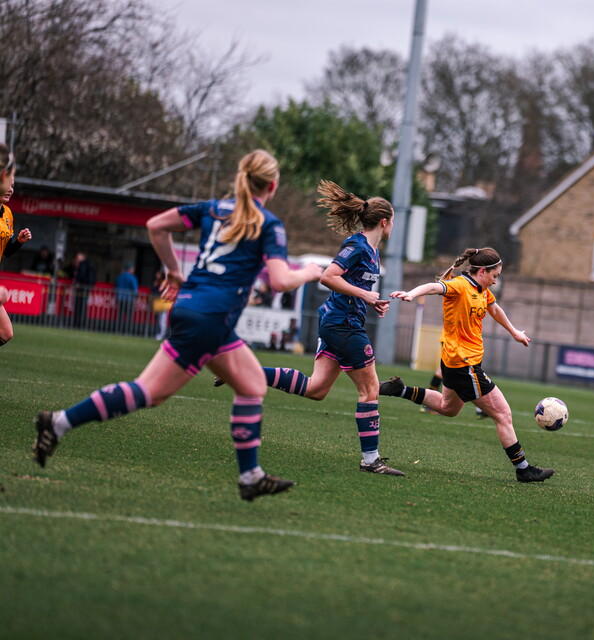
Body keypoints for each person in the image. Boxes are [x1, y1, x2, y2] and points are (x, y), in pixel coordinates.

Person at [32, 149, 324, 501]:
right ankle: (59, 422)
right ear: (272, 186)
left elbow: (156, 226)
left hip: (191, 310)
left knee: (251, 385)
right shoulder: (268, 224)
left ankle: (251, 476)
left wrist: (172, 269)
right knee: (150, 393)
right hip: (211, 319)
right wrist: (308, 273)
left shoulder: (212, 209)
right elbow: (279, 281)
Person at [220, 179, 404, 476]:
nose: (393, 226)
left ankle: (246, 372)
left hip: (341, 321)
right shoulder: (357, 246)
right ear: (385, 221)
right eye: (393, 221)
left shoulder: (372, 250)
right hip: (342, 325)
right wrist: (364, 295)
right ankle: (371, 460)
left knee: (317, 388)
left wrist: (370, 301)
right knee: (370, 389)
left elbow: (352, 284)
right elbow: (328, 277)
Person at [379, 247, 555, 483]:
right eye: (495, 276)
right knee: (503, 414)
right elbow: (435, 287)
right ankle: (524, 469)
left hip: (455, 362)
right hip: (464, 364)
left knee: (448, 407)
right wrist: (411, 293)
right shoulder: (461, 286)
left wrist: (514, 332)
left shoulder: (482, 290)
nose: (495, 281)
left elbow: (493, 307)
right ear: (483, 271)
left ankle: (399, 389)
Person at [0, 143, 32, 346]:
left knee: (5, 333)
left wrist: (18, 242)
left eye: (14, 186)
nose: (11, 189)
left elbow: (7, 251)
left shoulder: (8, 214)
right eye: (9, 182)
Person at [68, 251, 96, 328]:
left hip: (82, 288)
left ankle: (77, 323)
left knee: (79, 306)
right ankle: (81, 323)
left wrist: (77, 282)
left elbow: (80, 275)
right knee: (83, 306)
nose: (77, 257)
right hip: (86, 287)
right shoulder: (89, 264)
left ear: (83, 256)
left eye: (78, 255)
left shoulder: (83, 264)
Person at [114, 262, 139, 332]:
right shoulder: (132, 278)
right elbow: (135, 289)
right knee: (129, 316)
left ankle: (118, 329)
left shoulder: (119, 277)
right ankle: (127, 330)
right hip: (129, 299)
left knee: (120, 315)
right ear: (130, 269)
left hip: (120, 298)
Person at [150, 268, 171, 340]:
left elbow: (161, 290)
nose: (157, 275)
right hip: (158, 303)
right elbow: (153, 291)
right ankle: (159, 333)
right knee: (159, 319)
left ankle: (162, 334)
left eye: (158, 274)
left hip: (163, 303)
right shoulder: (156, 282)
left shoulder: (163, 282)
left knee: (162, 320)